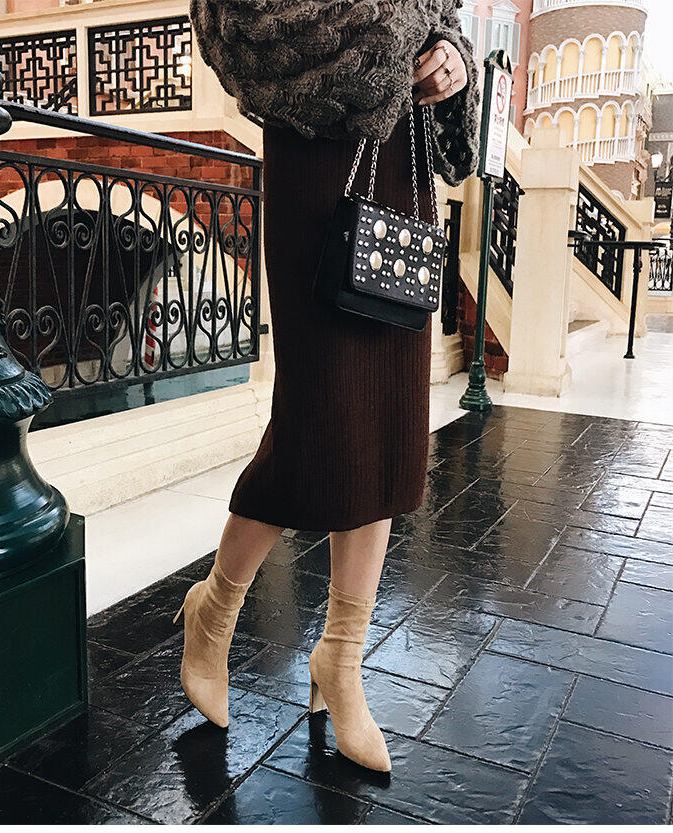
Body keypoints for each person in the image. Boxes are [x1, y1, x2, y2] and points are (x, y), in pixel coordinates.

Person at [175, 0, 480, 773]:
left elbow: (440, 17)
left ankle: (341, 658)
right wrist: (391, 38)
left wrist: (450, 56)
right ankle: (215, 608)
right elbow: (233, 21)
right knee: (317, 425)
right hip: (316, 157)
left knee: (390, 427)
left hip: (402, 162)